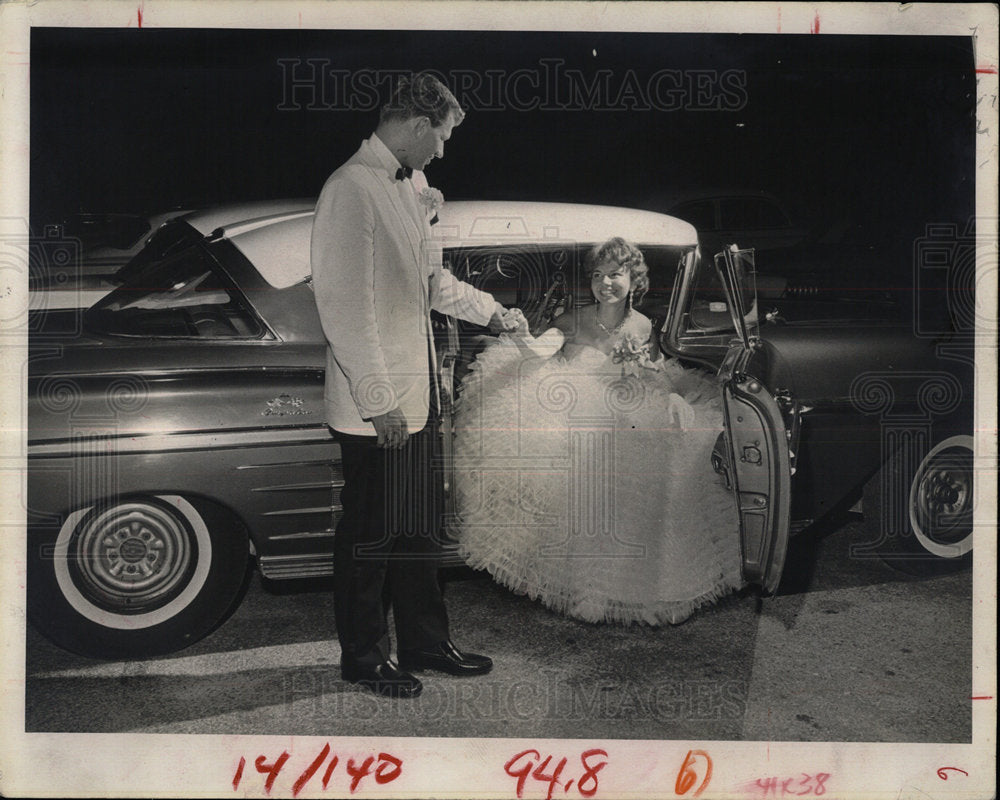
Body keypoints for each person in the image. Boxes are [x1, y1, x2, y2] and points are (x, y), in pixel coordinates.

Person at [310, 72, 518, 698]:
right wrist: (380, 404)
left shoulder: (412, 186)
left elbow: (432, 287)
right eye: (443, 137)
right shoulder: (349, 189)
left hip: (420, 394)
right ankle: (364, 655)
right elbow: (347, 309)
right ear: (418, 124)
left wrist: (495, 312)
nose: (442, 153)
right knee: (372, 533)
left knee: (420, 528)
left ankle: (426, 643)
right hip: (379, 406)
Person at [452, 237, 744, 625]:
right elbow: (538, 353)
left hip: (628, 409)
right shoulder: (574, 319)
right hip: (572, 408)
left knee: (667, 449)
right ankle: (590, 589)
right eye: (598, 275)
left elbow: (655, 372)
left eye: (615, 274)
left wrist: (673, 397)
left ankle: (644, 585)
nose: (605, 283)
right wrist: (522, 330)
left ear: (633, 280)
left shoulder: (642, 325)